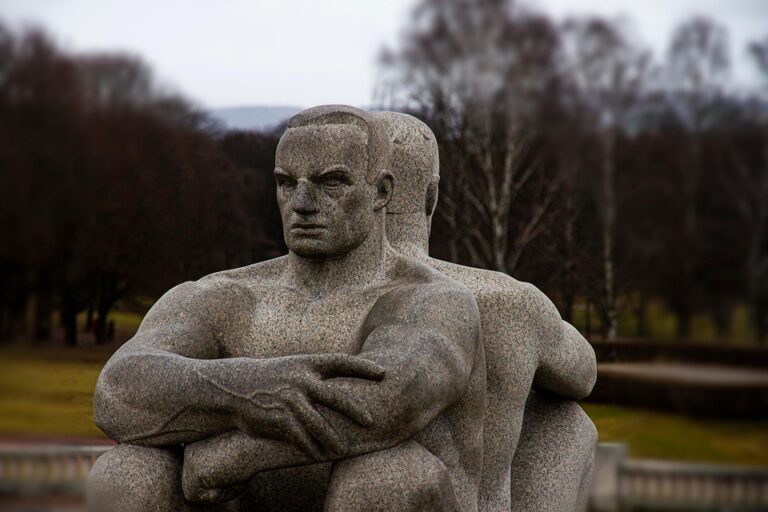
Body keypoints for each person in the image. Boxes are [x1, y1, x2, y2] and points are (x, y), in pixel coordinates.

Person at [87, 105, 486, 512]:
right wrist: (248, 388)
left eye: (331, 182)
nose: (302, 203)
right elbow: (117, 390)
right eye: (286, 183)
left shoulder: (430, 300)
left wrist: (233, 455)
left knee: (390, 478)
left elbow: (386, 401)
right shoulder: (221, 295)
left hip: (370, 496)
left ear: (381, 192)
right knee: (125, 473)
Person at [373, 111, 597, 512]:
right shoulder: (505, 300)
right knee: (566, 421)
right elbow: (582, 374)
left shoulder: (288, 302)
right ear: (431, 196)